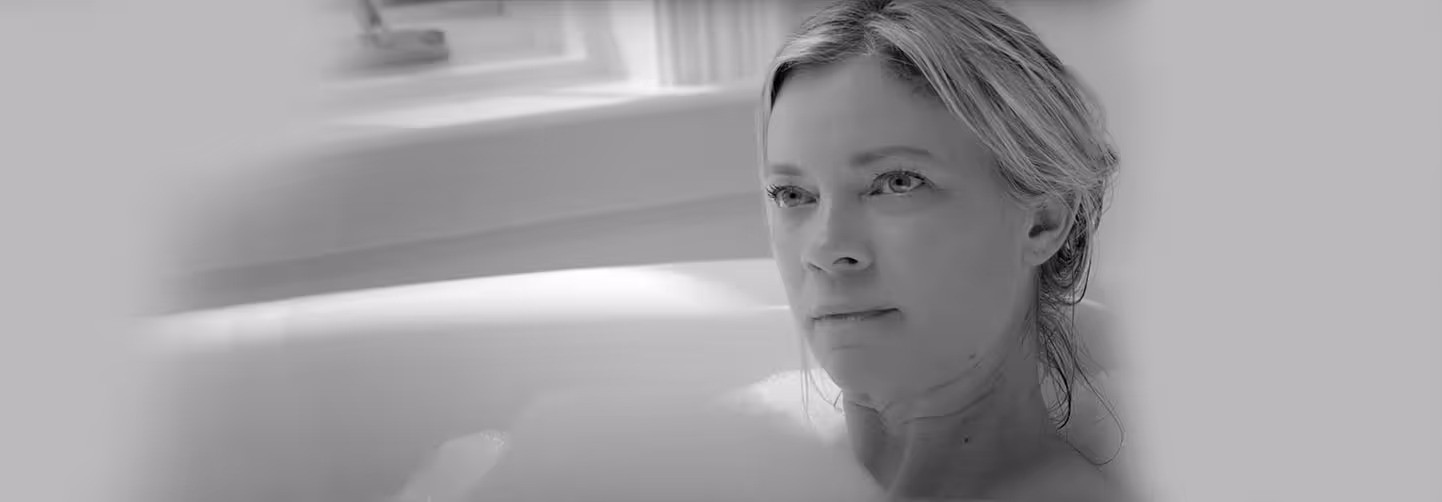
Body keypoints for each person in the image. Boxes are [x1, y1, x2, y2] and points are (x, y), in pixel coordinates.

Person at [757, 0, 1123, 499]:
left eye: (897, 182)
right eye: (792, 195)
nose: (826, 248)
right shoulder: (760, 464)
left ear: (1042, 220)